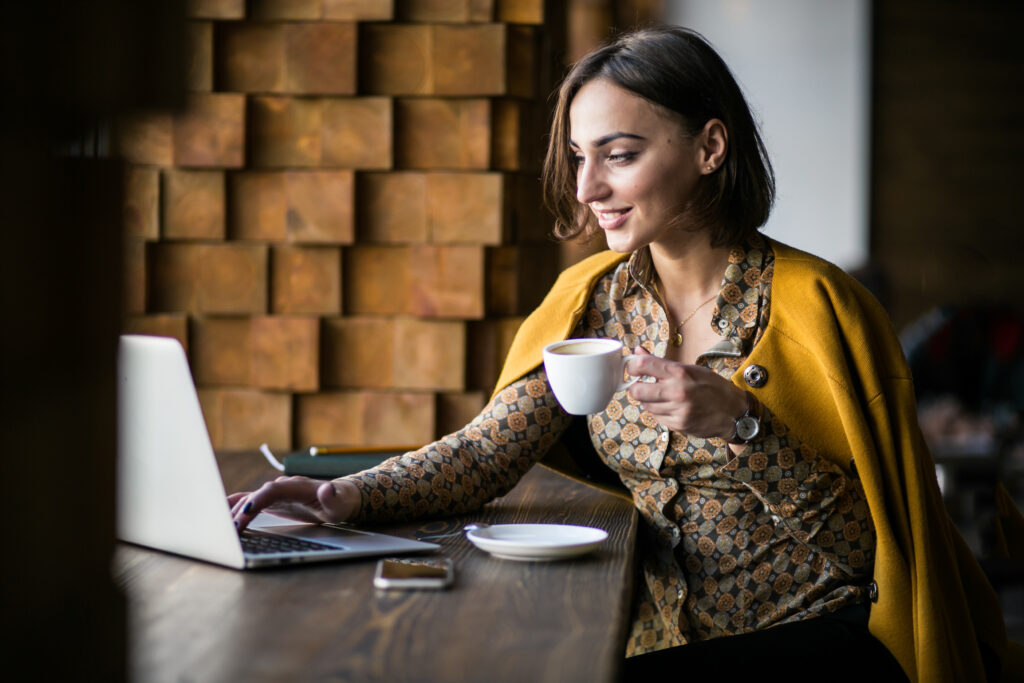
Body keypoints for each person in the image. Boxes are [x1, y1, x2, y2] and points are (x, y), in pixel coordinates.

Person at [229, 26, 1012, 682]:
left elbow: (872, 553)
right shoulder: (593, 302)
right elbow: (485, 452)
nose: (587, 188)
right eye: (579, 156)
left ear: (710, 147)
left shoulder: (821, 307)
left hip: (819, 640)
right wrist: (346, 497)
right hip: (648, 636)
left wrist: (744, 427)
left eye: (619, 154)